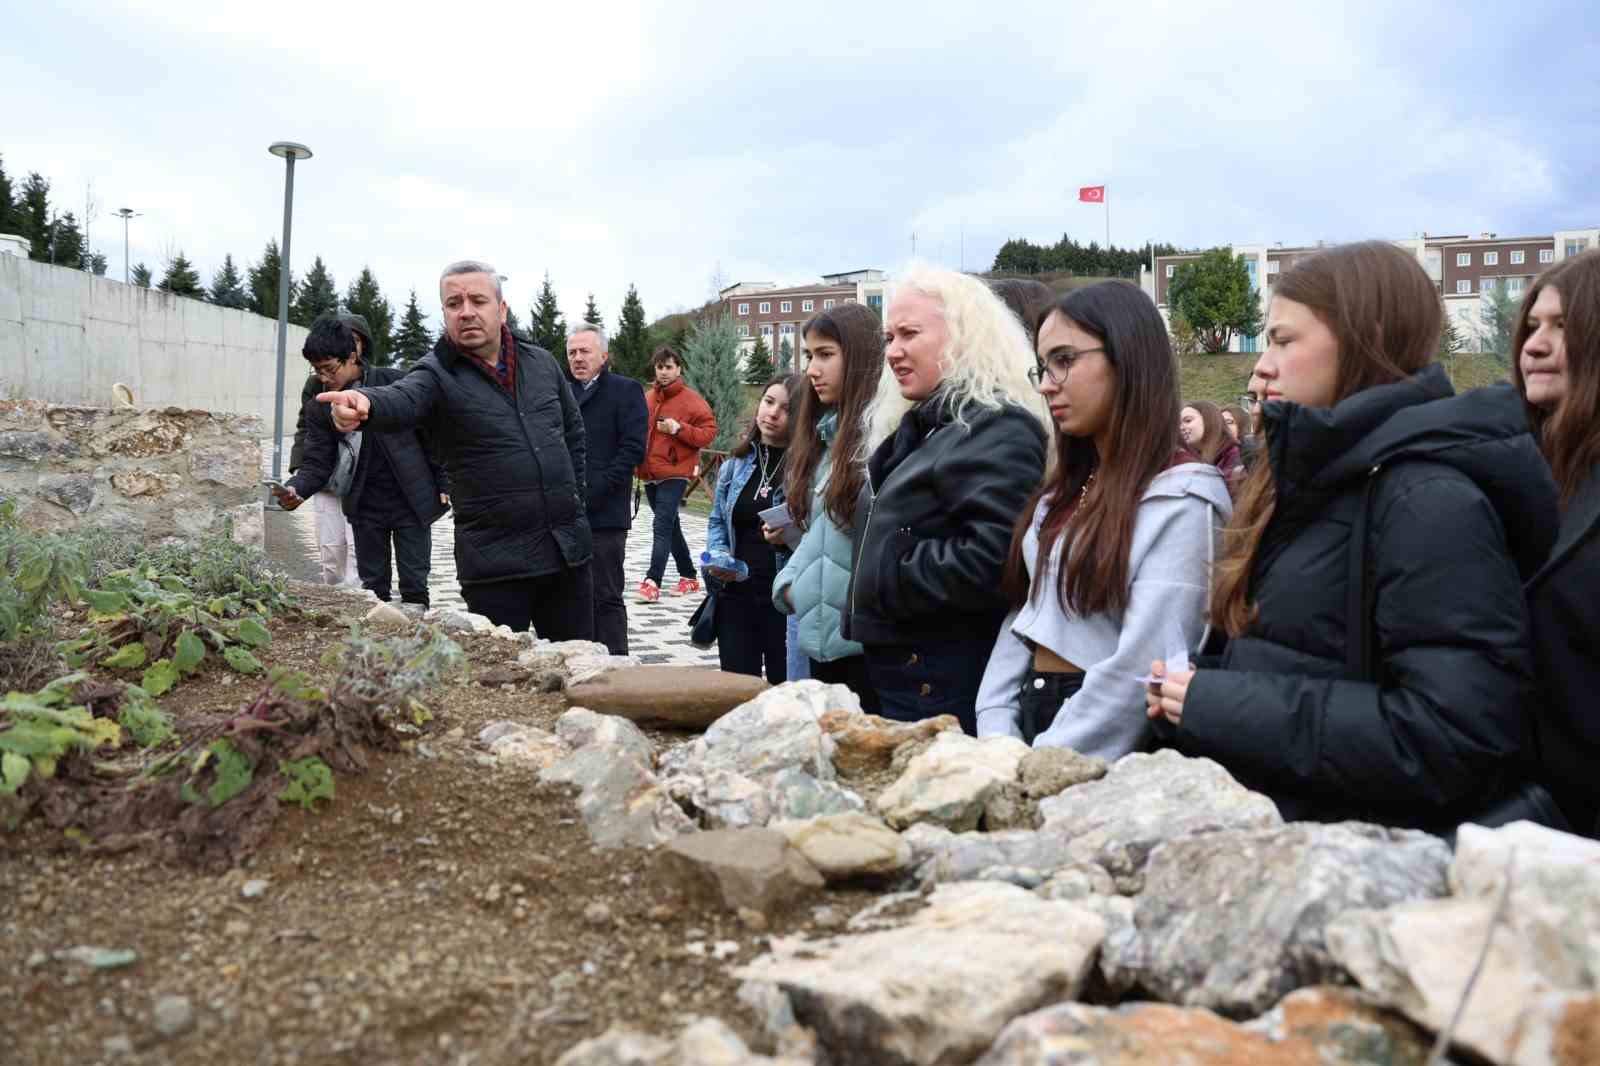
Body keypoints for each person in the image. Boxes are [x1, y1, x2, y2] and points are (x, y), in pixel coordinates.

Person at [1145, 240, 1560, 833]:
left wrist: (1213, 705)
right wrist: (1194, 691)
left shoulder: (1427, 500)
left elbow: (1451, 736)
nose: (1263, 365)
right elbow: (1301, 662)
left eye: (1284, 340)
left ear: (1366, 339)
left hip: (1366, 857)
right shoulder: (1323, 481)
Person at [977, 283, 1231, 755]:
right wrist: (995, 728)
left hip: (1102, 745)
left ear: (1126, 359)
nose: (1046, 384)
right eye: (1042, 366)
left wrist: (1047, 763)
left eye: (1064, 360)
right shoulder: (1063, 492)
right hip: (1028, 720)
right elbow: (1027, 615)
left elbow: (1143, 666)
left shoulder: (1185, 498)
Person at [314, 260, 594, 639]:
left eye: (478, 300)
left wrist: (576, 503)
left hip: (567, 555)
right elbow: (403, 397)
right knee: (503, 670)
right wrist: (366, 403)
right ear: (444, 313)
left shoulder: (542, 363)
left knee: (577, 661)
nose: (466, 312)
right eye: (453, 303)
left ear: (502, 309)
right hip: (496, 565)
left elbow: (573, 435)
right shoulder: (435, 374)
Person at [845, 266, 1050, 732]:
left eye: (909, 334)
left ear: (962, 336)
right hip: (906, 672)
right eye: (889, 337)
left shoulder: (998, 427)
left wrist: (890, 572)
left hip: (940, 680)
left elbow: (998, 557)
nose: (892, 351)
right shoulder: (928, 427)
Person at [1512, 249, 1600, 836]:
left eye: (1562, 327)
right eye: (1532, 326)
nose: (1534, 346)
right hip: (1533, 816)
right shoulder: (1521, 472)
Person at [275, 314, 449, 607]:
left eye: (329, 369)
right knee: (373, 591)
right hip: (364, 505)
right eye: (317, 370)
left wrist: (444, 480)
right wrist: (296, 489)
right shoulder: (321, 404)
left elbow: (433, 434)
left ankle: (419, 631)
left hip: (411, 500)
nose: (323, 378)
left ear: (352, 356)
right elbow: (317, 462)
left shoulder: (396, 382)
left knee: (415, 587)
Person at [774, 303, 884, 712]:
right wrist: (789, 585)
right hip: (824, 638)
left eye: (825, 354)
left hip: (866, 645)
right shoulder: (828, 440)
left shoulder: (880, 440)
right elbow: (822, 531)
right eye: (809, 355)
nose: (812, 370)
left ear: (859, 357)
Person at [704, 375, 801, 681]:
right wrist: (719, 555)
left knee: (785, 691)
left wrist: (789, 538)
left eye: (785, 409)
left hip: (785, 598)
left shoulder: (806, 468)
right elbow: (718, 520)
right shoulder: (736, 464)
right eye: (768, 402)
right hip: (736, 594)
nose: (772, 413)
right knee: (737, 688)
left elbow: (819, 535)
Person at [567, 324, 648, 654]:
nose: (577, 358)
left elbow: (633, 448)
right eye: (572, 352)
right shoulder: (562, 391)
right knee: (570, 598)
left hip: (605, 513)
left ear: (603, 355)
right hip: (565, 513)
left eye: (584, 351)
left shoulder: (625, 390)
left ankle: (616, 666)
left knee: (606, 595)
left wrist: (596, 490)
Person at [288, 313, 376, 588]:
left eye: (357, 339)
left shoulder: (379, 382)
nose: (324, 376)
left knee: (359, 551)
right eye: (319, 370)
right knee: (331, 549)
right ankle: (337, 596)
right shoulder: (317, 388)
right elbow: (306, 428)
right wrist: (300, 476)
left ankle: (362, 597)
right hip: (326, 475)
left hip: (364, 482)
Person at [636, 347, 717, 602]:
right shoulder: (647, 398)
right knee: (671, 527)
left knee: (661, 525)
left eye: (669, 367)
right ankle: (689, 576)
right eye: (660, 367)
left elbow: (708, 432)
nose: (663, 372)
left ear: (679, 369)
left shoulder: (692, 400)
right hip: (650, 472)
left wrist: (678, 428)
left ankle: (652, 581)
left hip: (676, 472)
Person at [1179, 400, 1241, 482]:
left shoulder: (1234, 454)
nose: (1181, 428)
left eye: (1188, 421)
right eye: (1179, 424)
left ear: (1208, 420)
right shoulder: (1187, 459)